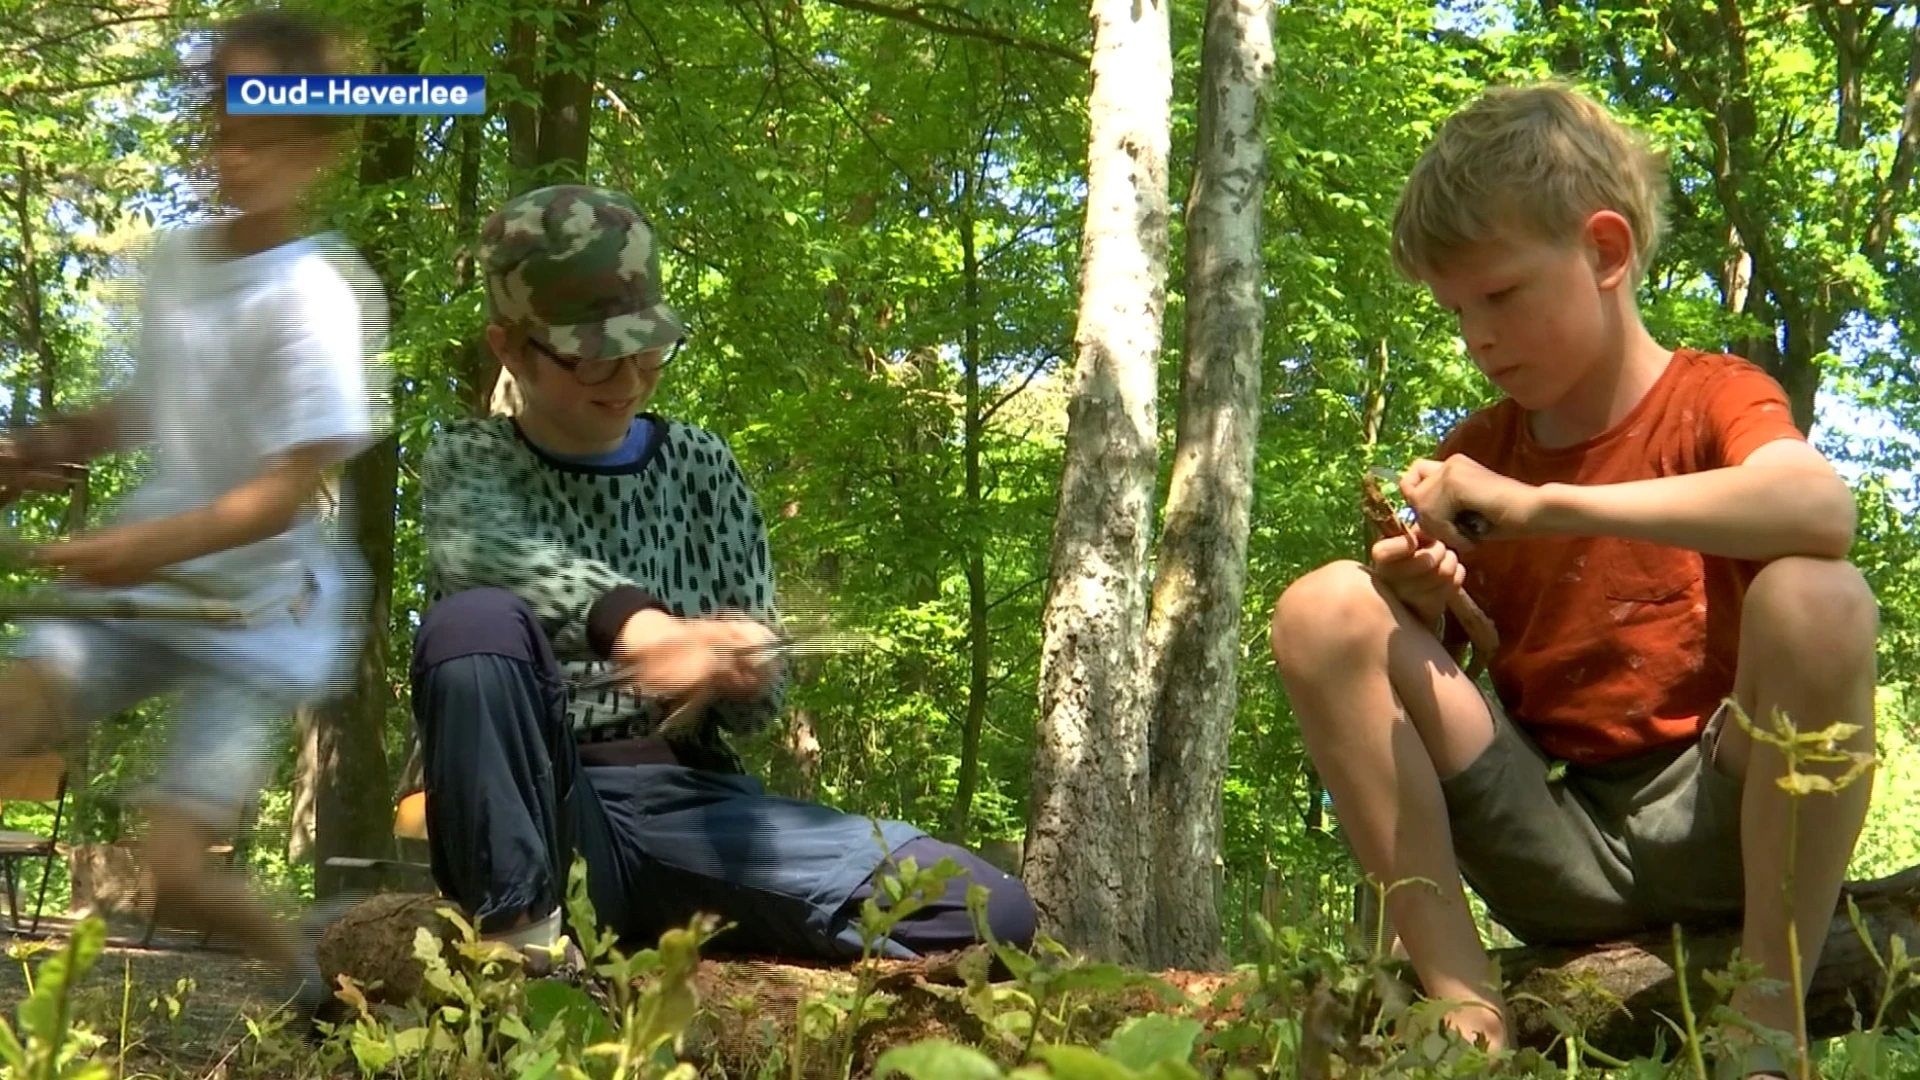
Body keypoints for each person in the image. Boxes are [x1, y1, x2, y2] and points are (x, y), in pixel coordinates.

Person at [1268, 82, 1877, 1079]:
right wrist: (1428, 608)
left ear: (1604, 251)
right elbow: (1481, 680)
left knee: (1819, 597)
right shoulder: (1481, 454)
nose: (1479, 337)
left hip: (1733, 823)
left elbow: (1820, 514)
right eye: (1457, 310)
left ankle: (1766, 1023)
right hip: (1557, 839)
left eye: (1500, 295)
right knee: (1323, 606)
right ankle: (1463, 1015)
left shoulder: (1713, 397)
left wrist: (1547, 507)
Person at [412, 183, 1036, 965]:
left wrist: (742, 660)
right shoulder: (471, 459)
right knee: (469, 628)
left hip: (698, 813)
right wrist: (639, 627)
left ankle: (648, 923)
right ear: (510, 348)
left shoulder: (702, 465)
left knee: (987, 908)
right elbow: (487, 557)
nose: (629, 378)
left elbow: (758, 715)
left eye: (648, 348)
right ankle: (520, 941)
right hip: (541, 807)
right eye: (592, 355)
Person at [0, 7, 388, 1030]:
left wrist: (142, 546)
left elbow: (285, 488)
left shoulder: (319, 293)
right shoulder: (178, 263)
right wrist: (43, 445)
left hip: (253, 616)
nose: (234, 150)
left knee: (172, 875)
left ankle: (317, 987)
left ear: (317, 148)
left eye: (263, 131)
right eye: (221, 121)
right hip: (145, 582)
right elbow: (151, 405)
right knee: (14, 708)